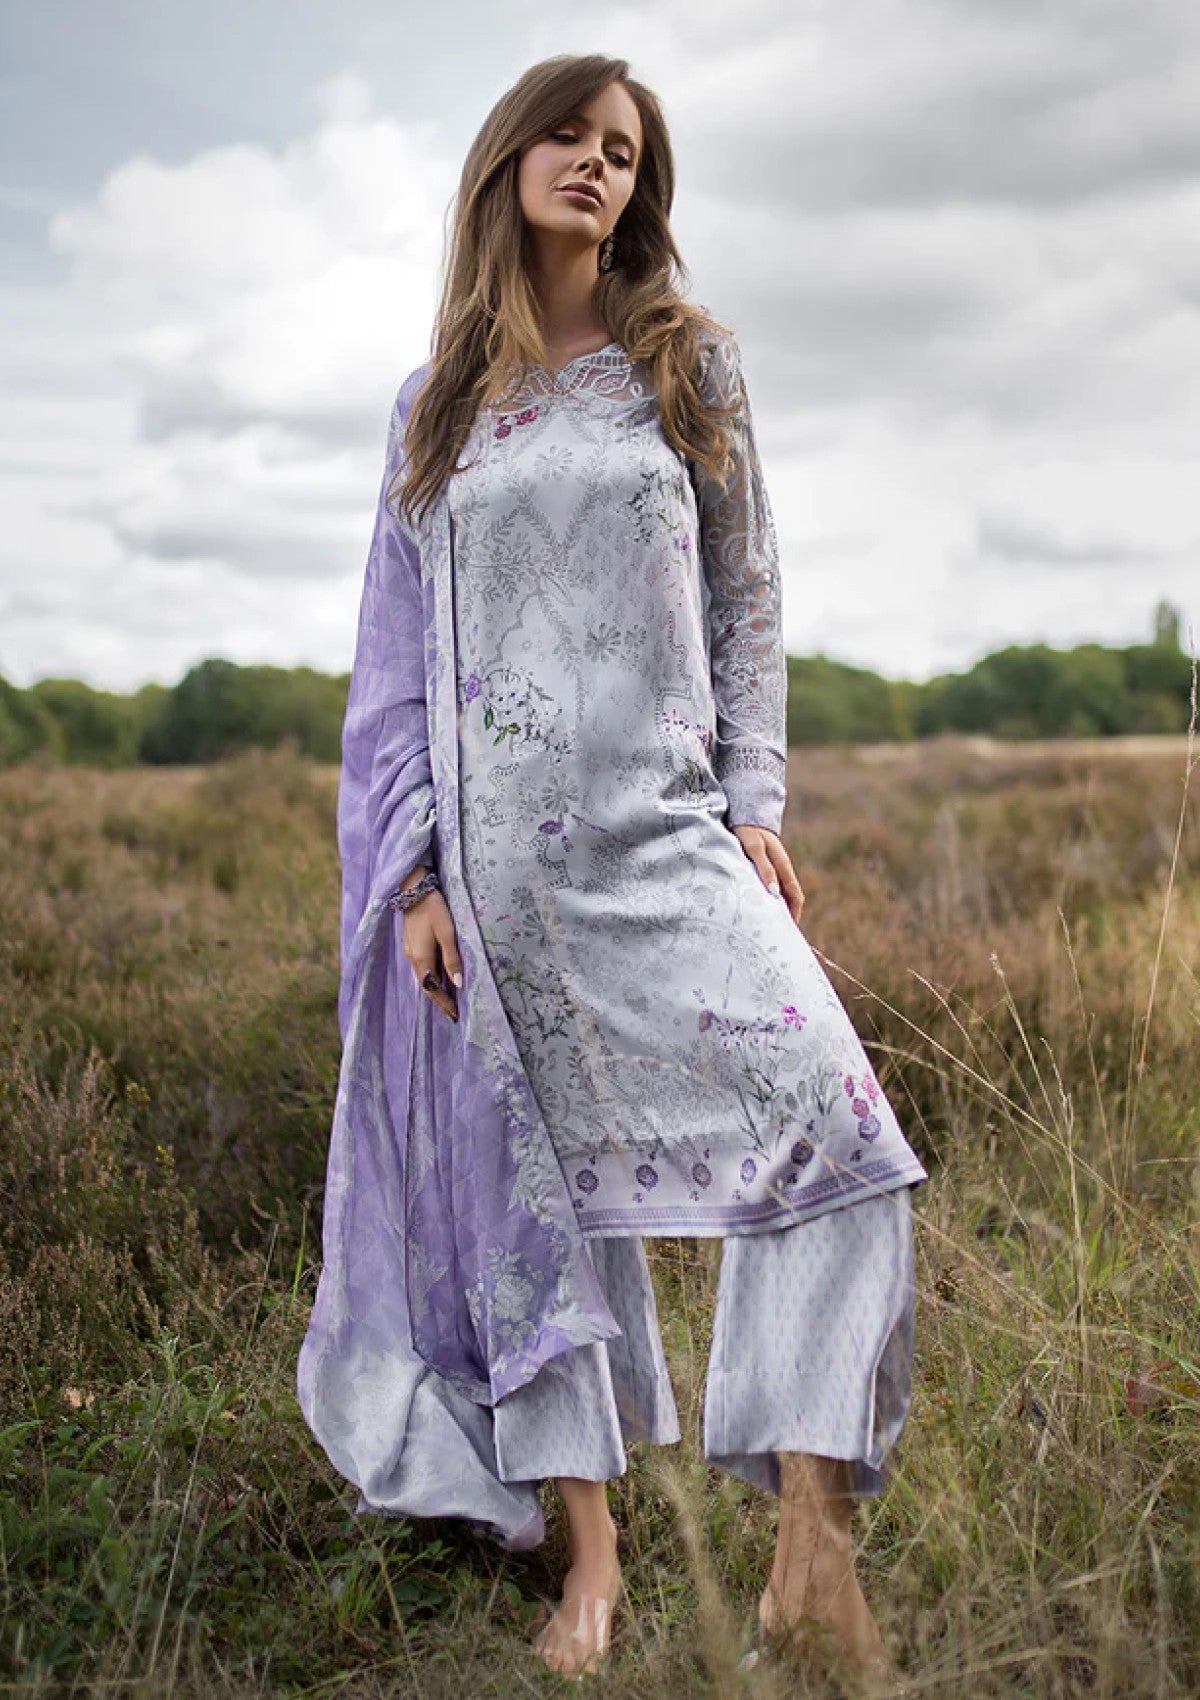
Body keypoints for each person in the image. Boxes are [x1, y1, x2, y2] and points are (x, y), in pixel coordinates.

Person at [297, 51, 928, 1687]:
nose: (598, 165)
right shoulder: (437, 403)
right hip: (500, 873)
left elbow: (750, 596)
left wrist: (755, 797)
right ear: (509, 160)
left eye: (626, 150)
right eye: (570, 137)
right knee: (539, 1209)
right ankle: (592, 1555)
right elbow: (393, 664)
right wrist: (414, 873)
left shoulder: (684, 364)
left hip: (664, 834)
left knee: (845, 1143)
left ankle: (807, 1546)